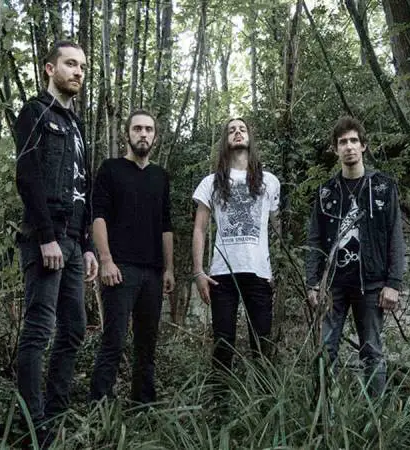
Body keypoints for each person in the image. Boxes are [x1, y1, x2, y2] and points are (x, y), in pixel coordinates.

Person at [14, 40, 98, 439]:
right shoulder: (34, 112)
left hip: (74, 242)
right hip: (45, 238)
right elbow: (27, 175)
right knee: (38, 329)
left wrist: (87, 246)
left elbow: (84, 187)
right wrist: (46, 237)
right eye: (70, 64)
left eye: (82, 66)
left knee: (74, 328)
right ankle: (31, 425)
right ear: (50, 69)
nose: (78, 72)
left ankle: (55, 414)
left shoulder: (77, 126)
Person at [305, 116, 405, 397]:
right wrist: (312, 283)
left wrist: (394, 283)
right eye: (342, 142)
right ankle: (323, 415)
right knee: (325, 350)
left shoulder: (383, 186)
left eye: (353, 141)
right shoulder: (326, 192)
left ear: (363, 146)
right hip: (332, 285)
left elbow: (396, 236)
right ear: (335, 149)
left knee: (372, 352)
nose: (348, 146)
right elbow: (314, 239)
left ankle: (376, 419)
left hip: (371, 283)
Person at [89, 109, 174, 405]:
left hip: (153, 272)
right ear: (127, 134)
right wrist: (106, 260)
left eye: (148, 129)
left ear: (155, 137)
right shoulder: (111, 169)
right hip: (120, 268)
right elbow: (98, 216)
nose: (143, 134)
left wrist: (169, 269)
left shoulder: (160, 176)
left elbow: (166, 225)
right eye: (137, 129)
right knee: (114, 340)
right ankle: (99, 406)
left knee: (147, 345)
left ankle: (143, 406)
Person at [192, 118, 281, 382]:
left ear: (250, 137)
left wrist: (275, 269)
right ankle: (220, 402)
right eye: (231, 130)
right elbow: (199, 229)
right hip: (222, 274)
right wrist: (198, 272)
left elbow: (277, 229)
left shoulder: (269, 181)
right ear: (225, 141)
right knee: (223, 345)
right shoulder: (211, 182)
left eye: (242, 129)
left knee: (262, 345)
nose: (237, 132)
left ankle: (266, 402)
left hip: (259, 273)